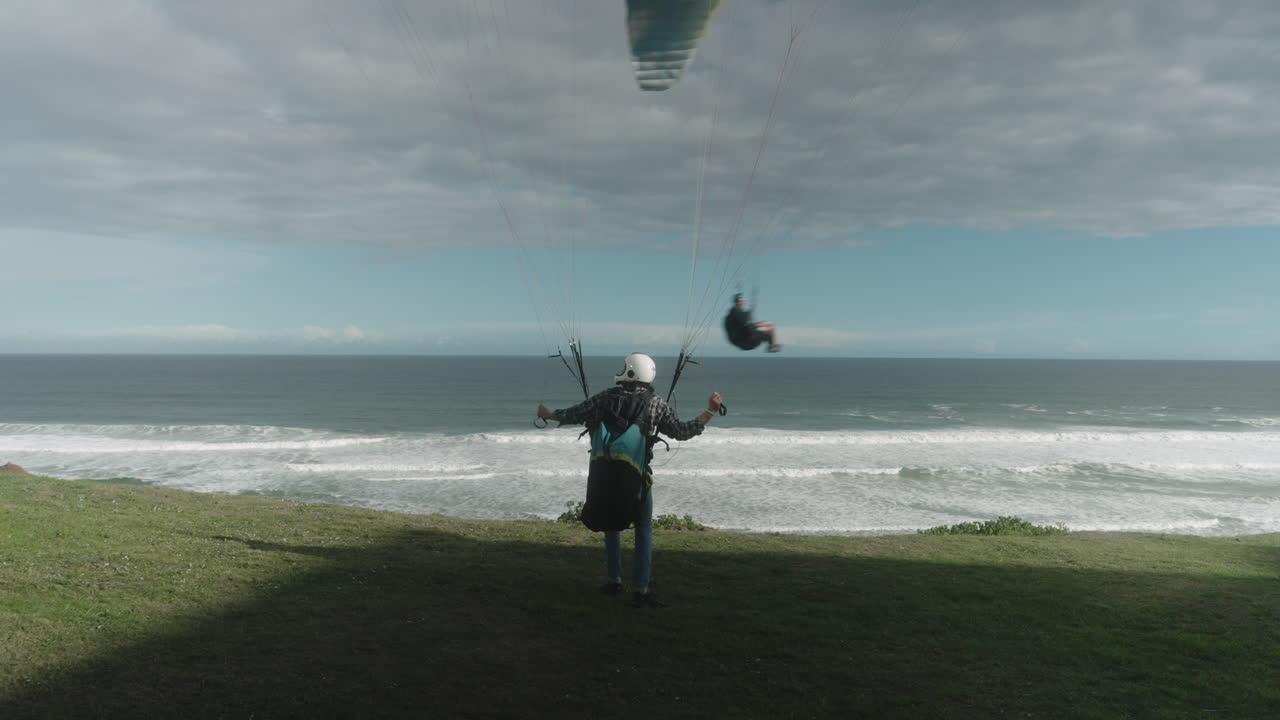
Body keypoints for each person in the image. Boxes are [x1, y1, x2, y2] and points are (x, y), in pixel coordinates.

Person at [536, 352, 723, 609]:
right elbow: (681, 431)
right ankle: (641, 590)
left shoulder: (606, 397)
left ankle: (614, 581)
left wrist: (549, 414)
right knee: (643, 529)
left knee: (612, 523)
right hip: (637, 477)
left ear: (630, 371)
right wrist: (709, 412)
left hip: (606, 473)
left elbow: (576, 413)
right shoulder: (656, 404)